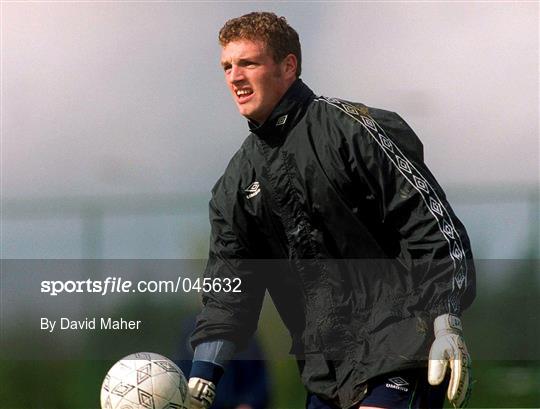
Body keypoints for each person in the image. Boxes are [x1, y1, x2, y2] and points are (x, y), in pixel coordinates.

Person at [187, 11, 476, 409]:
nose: (235, 77)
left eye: (248, 63)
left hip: (401, 343)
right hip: (324, 374)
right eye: (227, 67)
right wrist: (203, 374)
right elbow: (229, 290)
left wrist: (447, 320)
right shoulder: (234, 185)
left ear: (288, 66)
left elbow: (428, 223)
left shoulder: (354, 129)